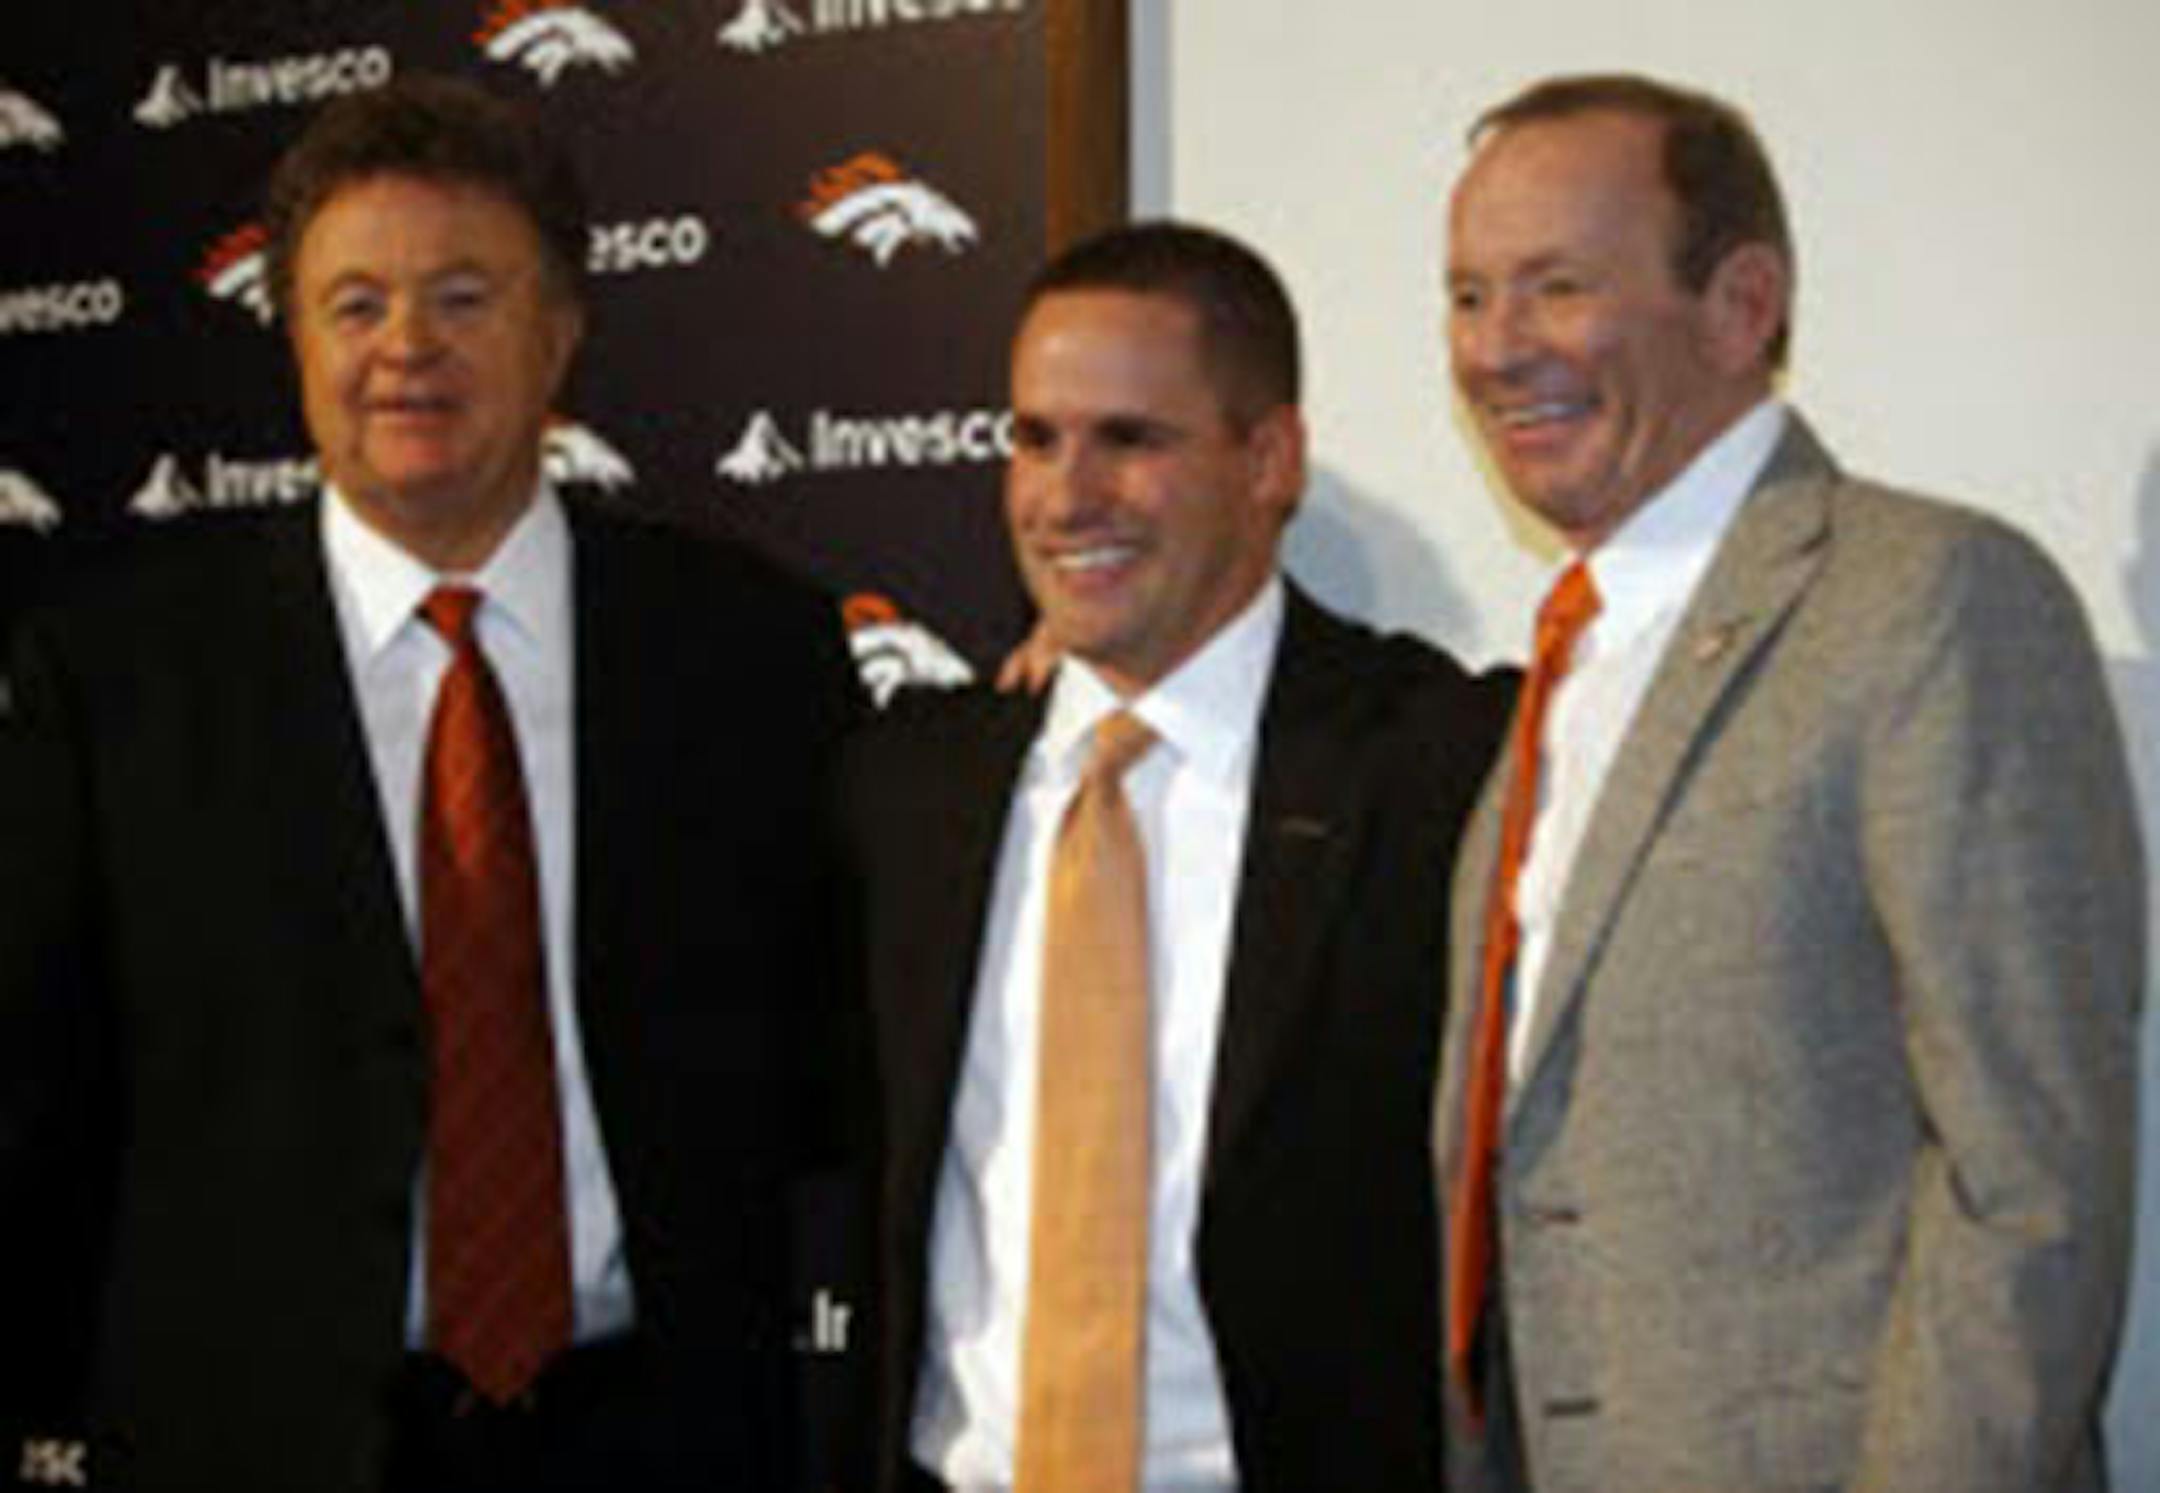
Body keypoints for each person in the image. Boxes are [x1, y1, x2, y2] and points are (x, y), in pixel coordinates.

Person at [0, 76, 859, 1492]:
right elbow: (42, 1102)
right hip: (256, 1443)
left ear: (562, 333)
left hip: (666, 1439)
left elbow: (847, 1047)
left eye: (464, 297)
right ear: (292, 336)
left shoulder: (751, 647)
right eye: (355, 303)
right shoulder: (119, 677)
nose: (406, 348)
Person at [1432, 72, 2143, 1493]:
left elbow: (2031, 1182)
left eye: (1556, 287)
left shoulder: (1932, 601)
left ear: (1742, 304)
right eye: (1465, 295)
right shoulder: (1559, 668)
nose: (1496, 348)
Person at [841, 221, 1513, 1493]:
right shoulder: (912, 779)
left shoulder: (1436, 764)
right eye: (1034, 437)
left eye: (1129, 440)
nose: (1063, 495)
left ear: (1270, 458)